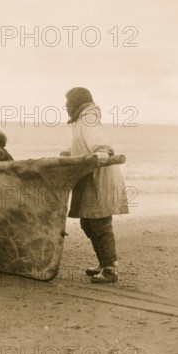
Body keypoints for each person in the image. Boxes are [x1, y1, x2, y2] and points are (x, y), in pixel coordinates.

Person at [62, 87, 129, 283]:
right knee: (87, 223)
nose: (65, 108)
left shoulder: (88, 119)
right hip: (88, 178)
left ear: (76, 105)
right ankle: (103, 262)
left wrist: (102, 152)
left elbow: (99, 143)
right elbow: (85, 144)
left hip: (99, 177)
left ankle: (110, 269)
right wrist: (70, 152)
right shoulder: (81, 121)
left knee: (100, 223)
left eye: (67, 104)